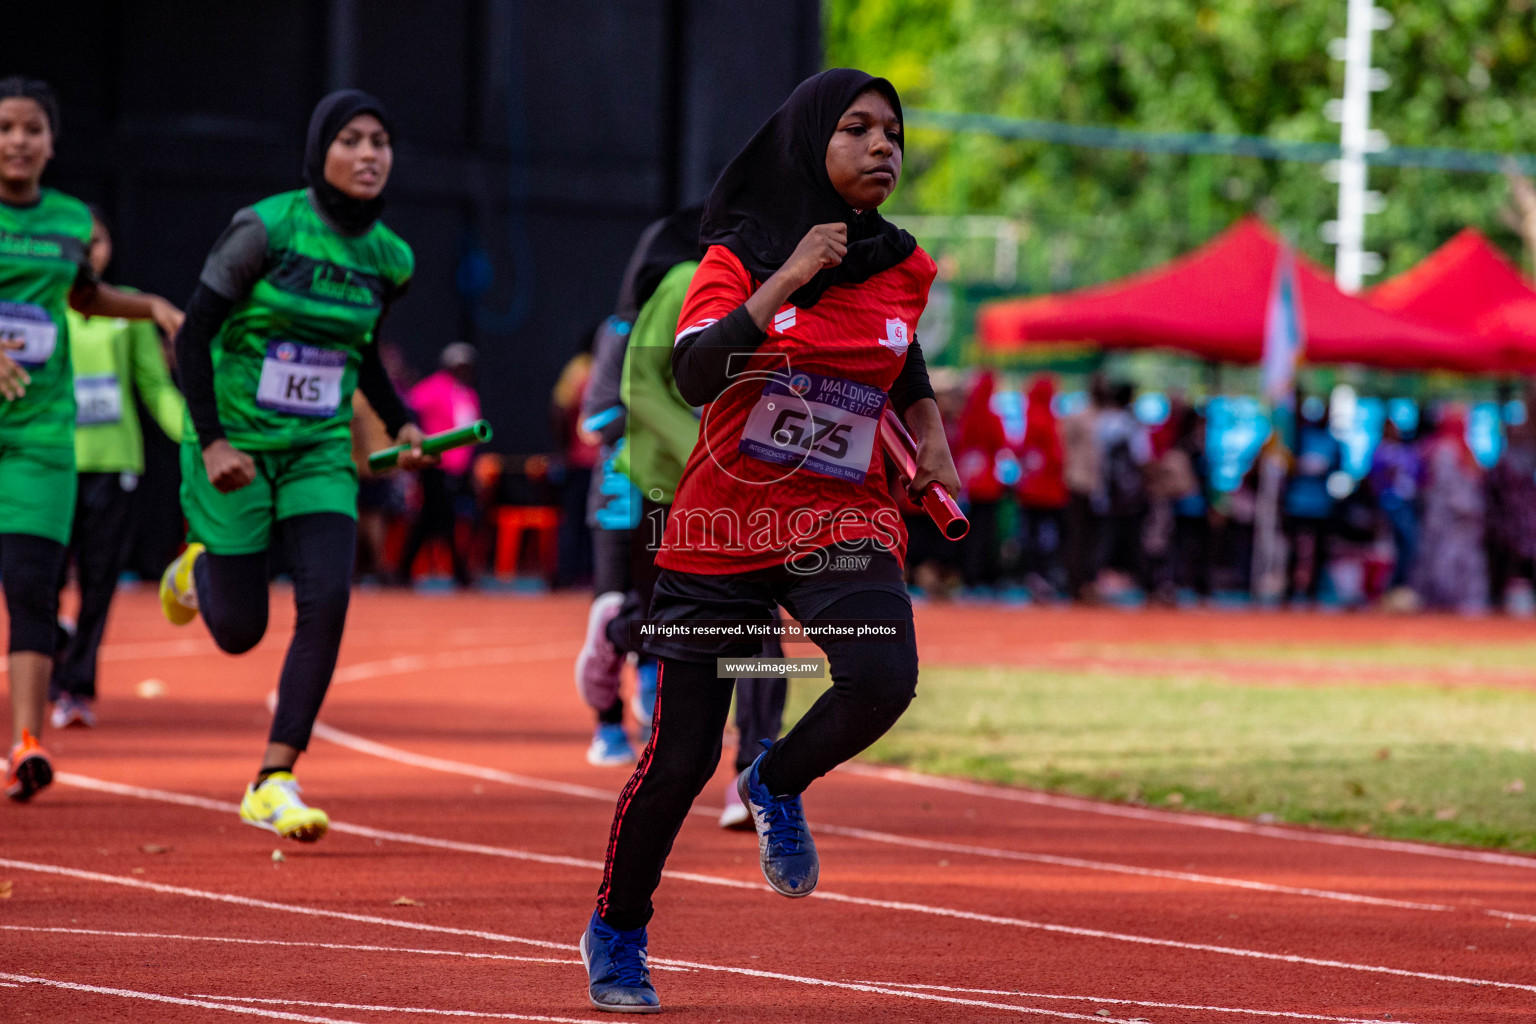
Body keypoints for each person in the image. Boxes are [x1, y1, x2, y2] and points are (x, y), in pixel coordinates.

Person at [578, 68, 958, 1013]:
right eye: (859, 130)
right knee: (678, 760)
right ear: (808, 144)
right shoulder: (739, 252)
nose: (883, 148)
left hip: (840, 512)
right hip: (725, 522)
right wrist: (788, 276)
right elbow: (697, 371)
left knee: (882, 677)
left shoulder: (902, 261)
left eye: (894, 134)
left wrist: (933, 433)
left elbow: (899, 351)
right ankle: (617, 931)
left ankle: (776, 780)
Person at [158, 89, 429, 841]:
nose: (370, 154)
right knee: (240, 630)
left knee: (328, 599)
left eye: (381, 141)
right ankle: (196, 567)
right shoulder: (266, 228)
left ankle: (274, 776)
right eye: (352, 140)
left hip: (316, 450)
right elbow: (192, 336)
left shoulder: (391, 259)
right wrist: (212, 441)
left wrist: (400, 415)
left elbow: (362, 346)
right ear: (321, 153)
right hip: (236, 444)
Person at [1, 77, 183, 800]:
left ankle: (25, 745)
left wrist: (151, 307)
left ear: (51, 142)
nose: (17, 141)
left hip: (43, 435)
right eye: (6, 127)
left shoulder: (71, 219)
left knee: (34, 590)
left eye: (31, 129)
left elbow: (80, 294)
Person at [51, 207, 187, 727]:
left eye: (98, 239)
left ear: (108, 247)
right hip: (51, 458)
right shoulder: (42, 303)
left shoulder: (126, 309)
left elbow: (154, 387)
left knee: (99, 580)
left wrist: (198, 437)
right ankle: (54, 642)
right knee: (36, 580)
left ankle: (76, 688)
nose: (89, 248)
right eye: (78, 240)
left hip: (115, 463)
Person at [394, 342, 481, 588]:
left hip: (459, 469)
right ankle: (459, 572)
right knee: (442, 518)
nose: (464, 370)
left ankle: (404, 569)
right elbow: (409, 406)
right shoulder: (435, 387)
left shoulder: (467, 393)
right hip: (435, 466)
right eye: (459, 365)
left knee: (434, 519)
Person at [1413, 404, 1487, 613]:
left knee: (1463, 562)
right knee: (1443, 562)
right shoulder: (1444, 449)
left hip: (1462, 519)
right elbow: (1444, 488)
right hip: (1446, 517)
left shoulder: (1463, 448)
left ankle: (1461, 604)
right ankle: (1442, 606)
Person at [1282, 397, 1342, 604]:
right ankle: (1289, 590)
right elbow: (1286, 463)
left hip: (1321, 504)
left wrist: (1325, 468)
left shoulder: (1333, 441)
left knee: (1319, 550)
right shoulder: (1299, 436)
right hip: (1297, 501)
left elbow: (1340, 468)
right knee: (1293, 548)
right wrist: (1299, 466)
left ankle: (1312, 592)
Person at [952, 369, 1008, 591]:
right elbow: (1001, 443)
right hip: (988, 485)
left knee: (967, 533)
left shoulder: (966, 415)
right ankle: (982, 578)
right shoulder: (993, 416)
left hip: (967, 482)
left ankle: (968, 576)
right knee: (986, 534)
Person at [1014, 376, 1068, 598]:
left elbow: (1022, 450)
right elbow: (1056, 457)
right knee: (1048, 538)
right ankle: (1045, 577)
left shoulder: (1029, 416)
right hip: (1049, 491)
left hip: (1029, 488)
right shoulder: (1048, 418)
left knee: (1031, 535)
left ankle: (1033, 576)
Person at [1367, 418, 1422, 602]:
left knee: (1407, 547)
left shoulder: (1406, 451)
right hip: (1391, 503)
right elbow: (1375, 480)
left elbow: (1419, 475)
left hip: (1407, 502)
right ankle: (1391, 587)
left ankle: (1397, 587)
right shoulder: (1381, 452)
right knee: (1406, 544)